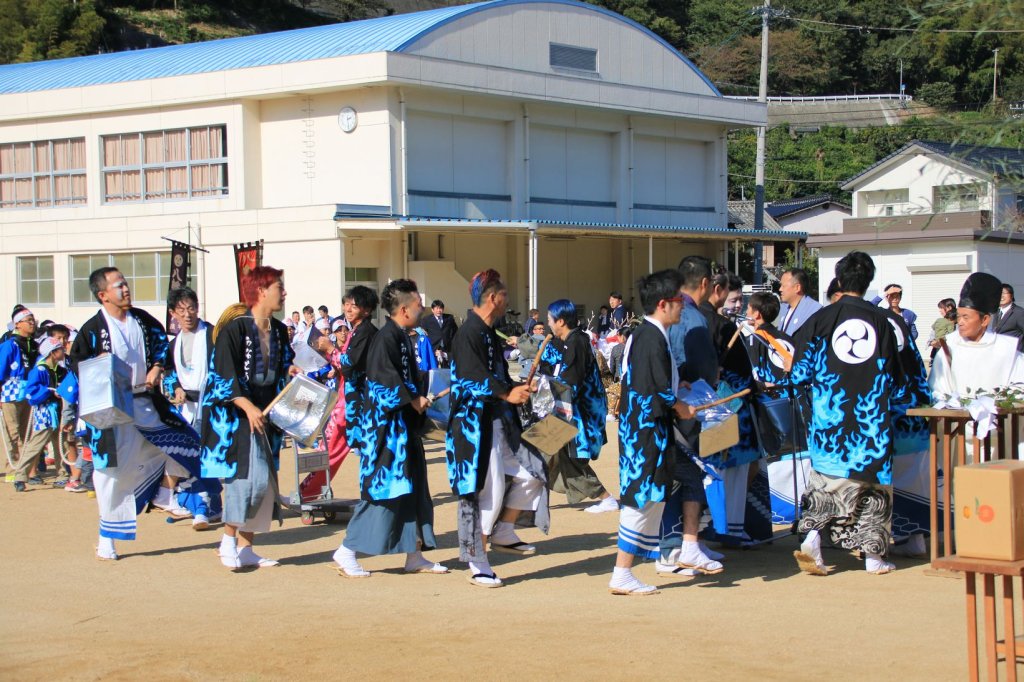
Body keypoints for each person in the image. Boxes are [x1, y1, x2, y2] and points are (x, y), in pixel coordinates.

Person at [70, 267, 209, 560]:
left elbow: (162, 350)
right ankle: (107, 535)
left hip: (146, 400)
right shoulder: (92, 330)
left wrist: (157, 368)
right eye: (119, 285)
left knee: (184, 445)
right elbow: (78, 365)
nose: (126, 289)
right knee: (111, 473)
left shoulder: (143, 320)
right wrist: (99, 365)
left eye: (126, 283)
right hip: (112, 410)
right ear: (103, 294)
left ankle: (163, 492)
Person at [786, 251, 906, 575]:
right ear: (868, 283)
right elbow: (895, 379)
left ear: (839, 281)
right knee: (874, 489)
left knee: (826, 483)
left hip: (831, 421)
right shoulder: (883, 321)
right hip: (871, 422)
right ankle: (874, 557)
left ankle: (812, 536)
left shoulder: (821, 319)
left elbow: (798, 373)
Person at [332, 279, 447, 578]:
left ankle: (414, 554)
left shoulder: (401, 336)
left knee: (413, 489)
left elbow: (406, 378)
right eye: (418, 303)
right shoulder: (386, 338)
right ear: (405, 308)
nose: (422, 307)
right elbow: (383, 385)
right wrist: (413, 399)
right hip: (386, 433)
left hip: (403, 429)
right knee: (384, 491)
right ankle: (347, 550)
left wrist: (425, 391)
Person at [446, 269, 548, 589]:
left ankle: (503, 531)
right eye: (504, 295)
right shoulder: (467, 334)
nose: (508, 300)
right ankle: (477, 560)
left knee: (533, 472)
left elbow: (497, 375)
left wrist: (515, 388)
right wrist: (506, 393)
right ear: (493, 298)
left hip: (497, 419)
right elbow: (470, 377)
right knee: (486, 491)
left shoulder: (489, 332)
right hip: (473, 425)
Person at [202, 266, 299, 570]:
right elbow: (221, 375)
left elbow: (281, 367)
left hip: (267, 413)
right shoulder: (235, 330)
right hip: (237, 417)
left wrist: (289, 371)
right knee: (247, 480)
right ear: (260, 291)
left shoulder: (280, 330)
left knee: (266, 483)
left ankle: (246, 547)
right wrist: (245, 405)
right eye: (278, 287)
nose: (283, 293)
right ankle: (227, 540)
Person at [609, 269, 699, 595]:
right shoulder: (650, 338)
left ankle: (637, 565)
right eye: (678, 301)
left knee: (648, 499)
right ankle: (621, 572)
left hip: (646, 431)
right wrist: (680, 405)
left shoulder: (649, 335)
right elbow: (655, 390)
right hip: (645, 434)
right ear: (663, 304)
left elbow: (657, 382)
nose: (682, 306)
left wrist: (677, 390)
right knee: (640, 501)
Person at [661, 255, 725, 575]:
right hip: (688, 407)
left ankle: (687, 542)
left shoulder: (668, 314)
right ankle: (674, 547)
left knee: (679, 476)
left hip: (670, 404)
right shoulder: (694, 318)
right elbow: (700, 370)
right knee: (687, 477)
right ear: (704, 284)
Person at [543, 299, 616, 513]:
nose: (548, 324)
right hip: (570, 408)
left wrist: (542, 388)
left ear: (561, 321)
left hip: (579, 411)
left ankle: (605, 497)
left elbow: (570, 380)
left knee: (545, 451)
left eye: (550, 320)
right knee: (556, 455)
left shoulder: (577, 342)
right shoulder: (573, 340)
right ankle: (603, 496)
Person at [162, 287, 223, 530]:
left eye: (191, 308)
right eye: (181, 310)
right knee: (186, 458)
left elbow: (224, 367)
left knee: (206, 459)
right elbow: (168, 372)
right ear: (173, 313)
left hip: (211, 407)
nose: (187, 314)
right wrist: (175, 387)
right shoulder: (173, 344)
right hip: (186, 408)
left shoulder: (212, 335)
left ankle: (203, 509)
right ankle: (207, 506)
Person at [929, 272, 1024, 419]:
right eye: (959, 316)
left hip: (998, 429)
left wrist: (993, 405)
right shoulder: (949, 347)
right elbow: (936, 387)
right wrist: (950, 402)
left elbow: (1020, 387)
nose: (960, 322)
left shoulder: (1007, 349)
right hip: (956, 427)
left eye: (966, 317)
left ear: (985, 320)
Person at [12, 337, 65, 492]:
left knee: (62, 445)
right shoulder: (40, 370)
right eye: (60, 348)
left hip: (60, 411)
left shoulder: (60, 369)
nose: (63, 351)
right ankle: (20, 476)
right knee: (36, 444)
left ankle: (62, 474)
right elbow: (30, 393)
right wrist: (49, 391)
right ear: (53, 352)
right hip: (45, 412)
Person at [339, 286, 380, 468]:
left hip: (363, 401)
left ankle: (368, 496)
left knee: (367, 451)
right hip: (352, 399)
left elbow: (349, 365)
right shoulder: (356, 330)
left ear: (367, 310)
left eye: (354, 306)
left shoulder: (366, 332)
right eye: (346, 304)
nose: (348, 309)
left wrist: (330, 351)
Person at [1, 308, 38, 482]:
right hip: (10, 393)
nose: (32, 323)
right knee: (12, 432)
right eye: (28, 320)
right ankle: (12, 467)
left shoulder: (34, 344)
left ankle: (25, 469)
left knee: (27, 432)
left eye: (33, 320)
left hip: (29, 392)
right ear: (18, 324)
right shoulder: (9, 344)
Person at [777, 267, 822, 335]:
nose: (780, 289)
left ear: (797, 288)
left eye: (783, 286)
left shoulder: (814, 311)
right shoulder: (783, 308)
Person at [421, 300, 458, 367]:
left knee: (446, 369)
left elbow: (455, 331)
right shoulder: (426, 319)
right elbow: (423, 333)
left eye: (440, 308)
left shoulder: (449, 318)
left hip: (446, 348)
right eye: (437, 308)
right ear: (432, 310)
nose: (439, 310)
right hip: (433, 348)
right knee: (434, 368)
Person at [992, 284, 1024, 352]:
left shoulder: (1019, 312)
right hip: (1000, 353)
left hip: (1014, 354)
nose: (1001, 296)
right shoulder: (996, 312)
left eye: (1004, 293)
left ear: (1011, 295)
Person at [927, 298, 957, 363]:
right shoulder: (939, 322)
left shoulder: (960, 323)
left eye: (941, 308)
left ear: (949, 308)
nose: (940, 311)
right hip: (939, 358)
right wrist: (935, 343)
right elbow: (931, 340)